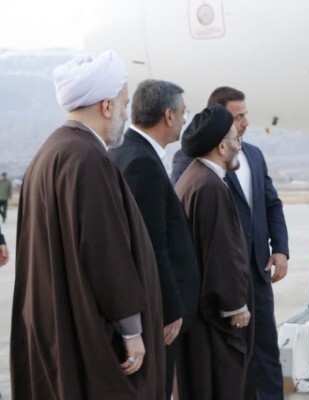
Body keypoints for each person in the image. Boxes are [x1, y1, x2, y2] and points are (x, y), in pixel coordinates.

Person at [10, 51, 165, 399]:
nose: (126, 114)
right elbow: (105, 251)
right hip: (91, 332)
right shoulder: (87, 158)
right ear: (107, 106)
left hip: (59, 319)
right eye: (124, 105)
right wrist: (131, 330)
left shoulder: (50, 153)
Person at [172, 87, 289, 399]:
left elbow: (271, 204)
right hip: (221, 286)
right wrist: (233, 302)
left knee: (264, 353)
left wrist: (279, 248)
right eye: (238, 118)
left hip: (256, 272)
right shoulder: (199, 172)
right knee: (227, 365)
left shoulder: (253, 156)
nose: (245, 124)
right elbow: (204, 233)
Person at [109, 79, 201, 399]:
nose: (185, 119)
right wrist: (170, 308)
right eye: (183, 112)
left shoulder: (126, 150)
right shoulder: (142, 162)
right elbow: (151, 243)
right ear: (168, 115)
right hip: (157, 311)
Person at [175, 104, 253, 399]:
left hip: (196, 313)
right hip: (211, 320)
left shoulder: (194, 177)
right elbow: (221, 251)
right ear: (222, 146)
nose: (238, 146)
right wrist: (235, 305)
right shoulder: (210, 187)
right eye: (235, 140)